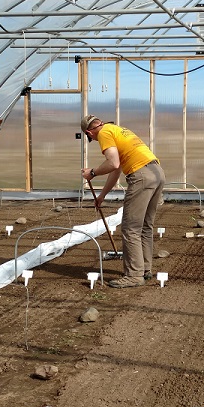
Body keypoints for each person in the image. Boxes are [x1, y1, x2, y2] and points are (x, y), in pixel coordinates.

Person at [81, 115, 165, 288]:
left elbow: (112, 162)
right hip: (156, 173)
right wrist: (102, 195)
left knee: (131, 228)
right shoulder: (117, 130)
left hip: (141, 175)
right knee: (145, 226)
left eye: (91, 138)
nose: (95, 140)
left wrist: (93, 172)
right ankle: (145, 269)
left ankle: (134, 275)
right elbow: (117, 168)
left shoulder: (104, 133)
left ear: (89, 132)